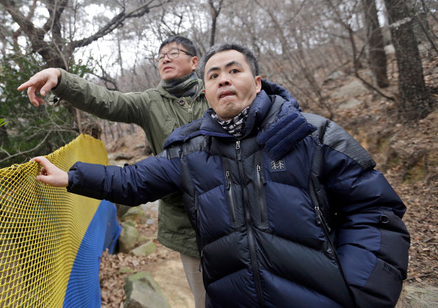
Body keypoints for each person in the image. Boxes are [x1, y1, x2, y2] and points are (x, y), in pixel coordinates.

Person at [32, 42, 410, 307]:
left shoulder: (311, 134)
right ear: (207, 93)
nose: (224, 79)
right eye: (216, 76)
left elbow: (374, 210)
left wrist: (361, 290)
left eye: (234, 71)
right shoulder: (188, 147)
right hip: (224, 278)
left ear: (257, 82)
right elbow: (135, 181)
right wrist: (72, 177)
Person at [18, 36, 209, 307]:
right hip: (187, 220)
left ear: (194, 62)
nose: (164, 58)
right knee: (206, 298)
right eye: (160, 56)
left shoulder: (214, 90)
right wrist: (61, 78)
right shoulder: (150, 102)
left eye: (173, 53)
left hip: (234, 210)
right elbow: (106, 100)